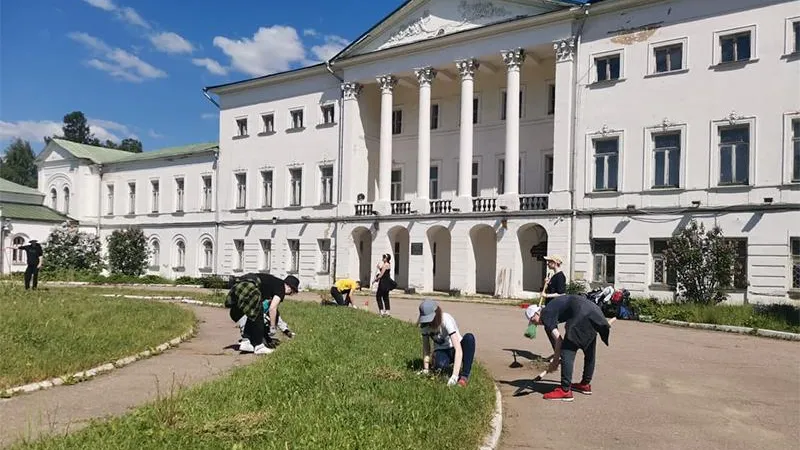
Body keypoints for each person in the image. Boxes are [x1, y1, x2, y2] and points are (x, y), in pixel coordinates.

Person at [526, 295, 612, 401]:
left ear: (537, 313)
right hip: (594, 313)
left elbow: (559, 341)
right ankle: (585, 384)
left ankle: (565, 390)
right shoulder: (550, 308)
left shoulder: (546, 314)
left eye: (532, 320)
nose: (534, 323)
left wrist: (555, 361)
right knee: (589, 352)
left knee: (567, 352)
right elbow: (555, 340)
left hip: (582, 316)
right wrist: (557, 353)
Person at [226, 273, 299, 354]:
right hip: (250, 286)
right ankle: (259, 346)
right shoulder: (281, 287)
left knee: (253, 313)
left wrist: (284, 329)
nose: (289, 294)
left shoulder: (272, 283)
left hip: (240, 285)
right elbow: (273, 309)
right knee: (258, 312)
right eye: (292, 292)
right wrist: (272, 327)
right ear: (289, 287)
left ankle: (246, 342)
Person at [418, 299, 476, 387]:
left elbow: (458, 349)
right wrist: (426, 369)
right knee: (440, 367)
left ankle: (464, 376)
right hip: (441, 351)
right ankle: (438, 363)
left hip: (455, 348)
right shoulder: (424, 326)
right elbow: (426, 348)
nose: (429, 322)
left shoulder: (446, 319)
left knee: (469, 338)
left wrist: (454, 376)